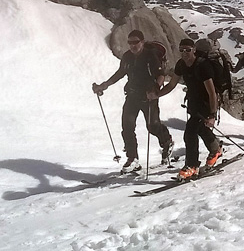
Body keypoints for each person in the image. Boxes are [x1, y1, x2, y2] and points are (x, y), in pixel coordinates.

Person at [91, 30, 174, 173]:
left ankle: (167, 142)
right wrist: (104, 85)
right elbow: (120, 73)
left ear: (142, 42)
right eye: (130, 42)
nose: (132, 45)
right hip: (132, 96)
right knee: (127, 127)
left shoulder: (150, 55)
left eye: (135, 42)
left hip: (148, 97)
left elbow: (161, 74)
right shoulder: (127, 57)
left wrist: (155, 90)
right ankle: (132, 158)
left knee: (152, 126)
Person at [153, 38, 223, 179]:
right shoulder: (181, 64)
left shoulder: (203, 66)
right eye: (182, 50)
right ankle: (215, 149)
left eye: (188, 50)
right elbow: (172, 84)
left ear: (194, 50)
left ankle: (192, 165)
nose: (184, 53)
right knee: (200, 128)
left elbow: (211, 93)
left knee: (190, 132)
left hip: (206, 103)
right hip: (194, 102)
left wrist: (212, 114)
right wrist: (157, 95)